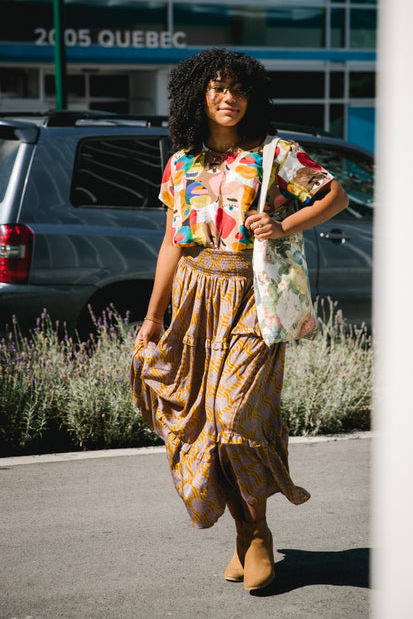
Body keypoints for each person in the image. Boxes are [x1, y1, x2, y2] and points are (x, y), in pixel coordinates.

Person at [131, 48, 348, 591]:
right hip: (196, 301)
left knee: (233, 417)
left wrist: (282, 222)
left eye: (239, 90)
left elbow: (335, 197)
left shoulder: (275, 153)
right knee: (205, 425)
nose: (229, 99)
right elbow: (171, 244)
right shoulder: (181, 163)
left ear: (252, 97)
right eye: (217, 89)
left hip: (256, 298)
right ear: (198, 96)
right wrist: (154, 316)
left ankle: (255, 537)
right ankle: (248, 531)